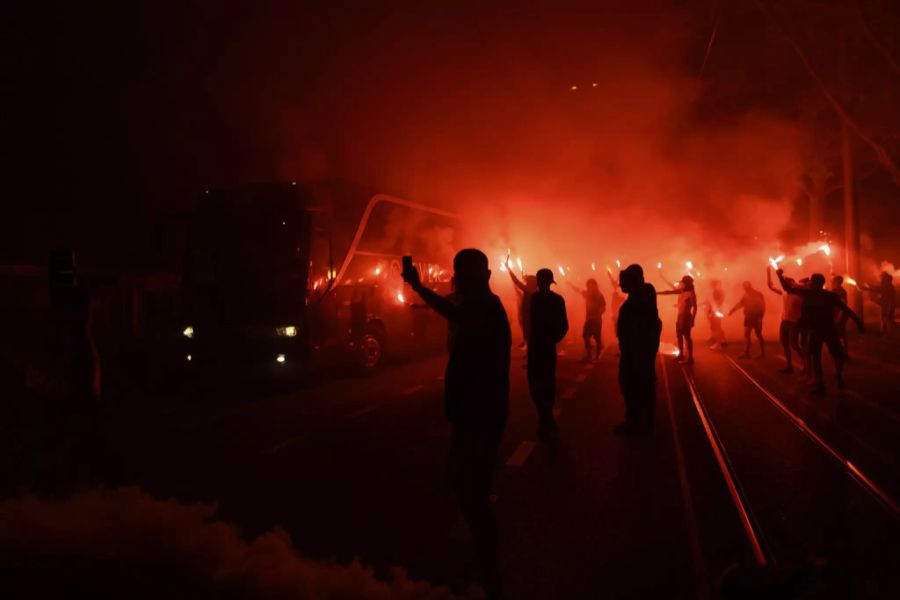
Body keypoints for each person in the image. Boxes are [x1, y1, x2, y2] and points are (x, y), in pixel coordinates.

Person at [402, 249, 510, 593]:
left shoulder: (485, 308)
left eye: (461, 274)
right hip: (473, 412)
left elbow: (452, 309)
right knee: (465, 486)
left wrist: (420, 288)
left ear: (479, 276)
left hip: (481, 414)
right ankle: (480, 559)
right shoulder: (482, 306)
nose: (456, 279)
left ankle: (487, 569)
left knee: (474, 491)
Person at [777, 270, 864, 394]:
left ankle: (828, 380)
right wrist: (858, 322)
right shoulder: (825, 295)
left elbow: (844, 308)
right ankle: (827, 379)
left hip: (821, 330)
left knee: (822, 357)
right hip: (823, 330)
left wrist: (779, 275)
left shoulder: (811, 294)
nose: (810, 283)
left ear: (815, 283)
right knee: (825, 356)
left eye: (812, 281)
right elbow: (846, 309)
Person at [615, 264, 662, 435]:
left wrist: (630, 348)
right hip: (640, 350)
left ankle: (636, 422)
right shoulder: (641, 293)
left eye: (623, 281)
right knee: (641, 385)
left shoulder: (640, 296)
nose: (620, 285)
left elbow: (637, 327)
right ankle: (642, 421)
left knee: (633, 384)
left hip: (637, 351)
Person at [529, 268, 569, 440]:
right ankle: (547, 416)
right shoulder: (557, 300)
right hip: (547, 346)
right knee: (547, 380)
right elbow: (564, 326)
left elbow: (534, 323)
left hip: (538, 346)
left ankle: (544, 416)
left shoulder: (535, 299)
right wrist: (553, 339)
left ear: (539, 281)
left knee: (535, 381)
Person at [766, 267, 803, 373]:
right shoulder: (784, 293)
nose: (785, 285)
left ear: (793, 284)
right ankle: (789, 366)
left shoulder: (799, 295)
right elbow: (770, 286)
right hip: (784, 321)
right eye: (785, 283)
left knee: (794, 345)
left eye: (788, 283)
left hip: (794, 322)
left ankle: (807, 364)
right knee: (785, 344)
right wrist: (768, 272)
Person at [657, 275, 697, 364]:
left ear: (686, 284)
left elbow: (695, 307)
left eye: (682, 282)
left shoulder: (691, 293)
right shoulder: (681, 291)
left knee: (687, 337)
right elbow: (668, 292)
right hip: (680, 316)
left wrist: (693, 320)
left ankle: (690, 358)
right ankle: (681, 355)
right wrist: (656, 293)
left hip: (686, 317)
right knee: (679, 335)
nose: (680, 284)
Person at [567, 278, 605, 361]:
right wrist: (570, 285)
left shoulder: (599, 296)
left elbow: (603, 307)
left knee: (597, 338)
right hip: (589, 319)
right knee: (585, 336)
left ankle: (597, 356)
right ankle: (589, 355)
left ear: (595, 285)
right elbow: (579, 290)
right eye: (588, 285)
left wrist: (599, 311)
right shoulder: (587, 294)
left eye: (591, 285)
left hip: (596, 319)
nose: (590, 287)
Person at [728, 281, 766, 359]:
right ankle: (747, 352)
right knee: (746, 334)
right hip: (748, 317)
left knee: (758, 335)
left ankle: (762, 353)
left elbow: (762, 307)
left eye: (746, 287)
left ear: (750, 286)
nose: (745, 289)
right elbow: (740, 304)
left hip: (756, 317)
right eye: (744, 287)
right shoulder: (746, 294)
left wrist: (760, 318)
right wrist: (732, 310)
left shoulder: (757, 294)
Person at [509, 268, 537, 348]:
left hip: (528, 315)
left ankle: (531, 352)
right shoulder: (536, 289)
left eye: (528, 281)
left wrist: (509, 270)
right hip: (532, 315)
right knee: (531, 334)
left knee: (528, 333)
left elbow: (516, 281)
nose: (526, 282)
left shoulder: (528, 289)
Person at [830, 275, 850, 359]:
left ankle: (844, 353)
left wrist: (840, 316)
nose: (832, 283)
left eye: (833, 281)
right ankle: (839, 351)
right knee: (836, 334)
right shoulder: (834, 290)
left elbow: (843, 305)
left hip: (840, 315)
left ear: (838, 282)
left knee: (841, 334)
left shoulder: (841, 291)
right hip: (835, 315)